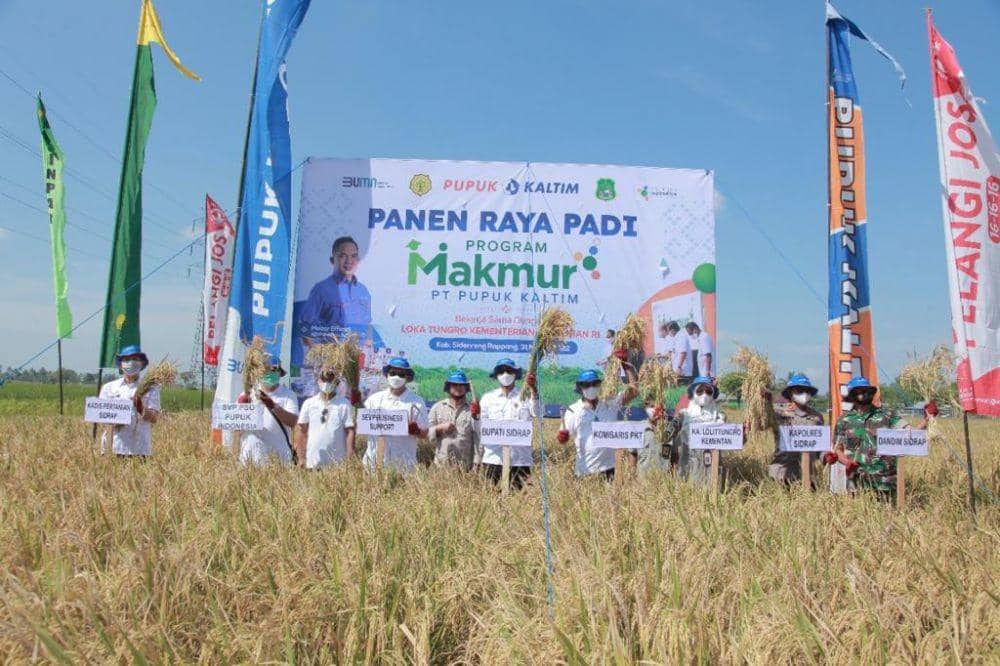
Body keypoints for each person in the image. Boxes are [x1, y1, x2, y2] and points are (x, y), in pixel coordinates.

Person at [824, 376, 930, 499]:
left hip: (885, 481)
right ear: (852, 395)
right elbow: (838, 448)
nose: (865, 394)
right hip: (857, 483)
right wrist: (847, 462)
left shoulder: (887, 415)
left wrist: (927, 419)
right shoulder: (844, 421)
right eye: (861, 391)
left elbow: (911, 433)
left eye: (868, 391)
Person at [558, 357, 639, 481]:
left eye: (595, 384)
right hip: (585, 471)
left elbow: (634, 391)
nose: (591, 387)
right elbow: (563, 438)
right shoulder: (573, 410)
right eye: (587, 385)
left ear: (599, 385)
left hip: (609, 469)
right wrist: (562, 437)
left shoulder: (610, 404)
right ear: (580, 388)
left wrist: (627, 368)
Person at [298, 236, 380, 350]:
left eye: (353, 256)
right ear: (332, 260)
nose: (349, 261)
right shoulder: (321, 289)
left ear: (358, 260)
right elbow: (305, 328)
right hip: (332, 361)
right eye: (342, 256)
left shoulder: (363, 291)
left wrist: (367, 348)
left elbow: (368, 326)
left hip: (356, 360)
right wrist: (321, 356)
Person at [475, 358, 540, 490]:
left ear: (516, 374)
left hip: (520, 459)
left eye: (509, 371)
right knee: (492, 500)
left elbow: (538, 413)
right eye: (501, 371)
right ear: (496, 375)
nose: (505, 374)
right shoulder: (488, 398)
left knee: (520, 502)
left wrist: (534, 389)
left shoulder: (526, 396)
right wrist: (474, 416)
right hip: (494, 459)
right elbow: (480, 428)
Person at [362, 357, 428, 474]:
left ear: (407, 377)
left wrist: (416, 430)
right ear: (387, 374)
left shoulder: (416, 402)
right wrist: (357, 405)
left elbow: (424, 433)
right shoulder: (374, 399)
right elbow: (363, 424)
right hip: (373, 463)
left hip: (403, 466)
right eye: (393, 373)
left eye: (401, 374)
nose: (396, 377)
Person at [99, 345, 160, 458]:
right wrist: (118, 419)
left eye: (135, 359)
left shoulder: (150, 388)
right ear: (121, 364)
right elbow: (101, 416)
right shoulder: (109, 387)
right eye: (126, 360)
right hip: (113, 446)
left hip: (139, 448)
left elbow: (154, 418)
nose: (130, 363)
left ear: (141, 363)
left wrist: (140, 407)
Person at [237, 355, 300, 466]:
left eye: (274, 370)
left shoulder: (288, 395)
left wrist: (272, 405)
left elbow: (293, 421)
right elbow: (237, 429)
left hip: (278, 460)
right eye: (266, 370)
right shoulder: (246, 395)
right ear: (259, 372)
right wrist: (242, 409)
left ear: (279, 373)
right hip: (250, 460)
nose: (270, 373)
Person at [766, 374, 824, 485]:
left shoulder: (817, 417)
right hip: (782, 474)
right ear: (790, 394)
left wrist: (825, 457)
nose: (804, 394)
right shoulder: (778, 413)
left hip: (807, 475)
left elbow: (820, 445)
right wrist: (764, 400)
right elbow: (761, 422)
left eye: (807, 391)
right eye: (800, 390)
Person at [294, 368, 356, 469]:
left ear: (336, 382)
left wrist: (349, 459)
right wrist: (301, 458)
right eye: (324, 380)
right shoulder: (309, 403)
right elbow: (302, 432)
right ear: (318, 380)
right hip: (312, 463)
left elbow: (350, 432)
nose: (327, 383)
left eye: (330, 380)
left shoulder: (344, 404)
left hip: (337, 465)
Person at [674, 376, 729, 486]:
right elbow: (671, 431)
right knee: (689, 483)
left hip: (711, 457)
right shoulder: (684, 414)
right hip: (690, 456)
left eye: (708, 391)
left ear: (712, 394)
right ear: (694, 392)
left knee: (710, 483)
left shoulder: (719, 415)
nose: (704, 395)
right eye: (700, 391)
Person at [427, 370, 478, 471]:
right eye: (454, 385)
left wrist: (477, 463)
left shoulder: (473, 410)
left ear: (466, 388)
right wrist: (439, 429)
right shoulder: (437, 408)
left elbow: (478, 439)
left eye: (461, 385)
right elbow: (426, 434)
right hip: (440, 467)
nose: (458, 388)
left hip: (465, 468)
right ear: (448, 387)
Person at [636, 396, 674, 474]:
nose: (655, 409)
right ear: (645, 408)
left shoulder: (671, 431)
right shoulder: (639, 429)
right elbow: (632, 456)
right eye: (651, 406)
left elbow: (675, 458)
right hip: (643, 481)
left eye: (658, 406)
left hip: (663, 481)